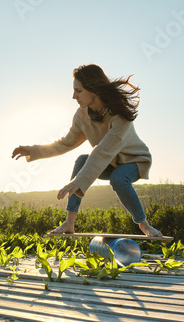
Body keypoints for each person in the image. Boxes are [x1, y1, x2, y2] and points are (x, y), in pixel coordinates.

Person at [11, 64, 162, 237]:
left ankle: (144, 226)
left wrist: (79, 181)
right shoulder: (82, 115)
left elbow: (103, 151)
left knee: (118, 178)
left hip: (134, 160)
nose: (73, 96)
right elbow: (65, 143)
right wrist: (31, 150)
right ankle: (69, 223)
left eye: (79, 91)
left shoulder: (119, 115)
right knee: (82, 160)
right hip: (108, 162)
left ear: (94, 89)